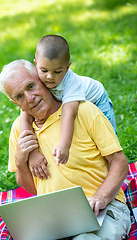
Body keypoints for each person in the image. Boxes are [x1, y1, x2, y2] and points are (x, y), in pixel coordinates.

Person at [0, 59, 131, 240]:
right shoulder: (19, 130)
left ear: (43, 79)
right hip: (56, 218)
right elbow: (33, 188)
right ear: (14, 102)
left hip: (104, 208)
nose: (29, 98)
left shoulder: (84, 110)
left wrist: (101, 197)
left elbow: (119, 161)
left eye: (31, 86)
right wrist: (21, 160)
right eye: (20, 96)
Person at [20, 35, 117, 180]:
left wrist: (64, 145)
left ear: (67, 67)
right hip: (72, 105)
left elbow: (68, 113)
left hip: (97, 100)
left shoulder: (72, 83)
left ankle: (111, 177)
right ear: (36, 64)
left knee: (106, 143)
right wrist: (33, 152)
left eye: (57, 71)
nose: (49, 77)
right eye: (44, 70)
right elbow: (25, 114)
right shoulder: (36, 78)